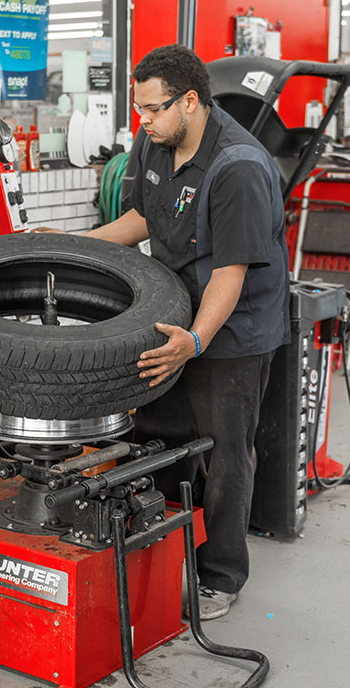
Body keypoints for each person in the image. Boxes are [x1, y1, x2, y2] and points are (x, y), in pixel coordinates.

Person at [42, 44, 289, 619]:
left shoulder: (239, 168)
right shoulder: (155, 141)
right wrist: (73, 243)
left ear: (191, 101)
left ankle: (220, 576)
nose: (145, 121)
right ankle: (158, 549)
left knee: (226, 452)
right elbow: (142, 219)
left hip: (235, 328)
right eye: (140, 109)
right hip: (176, 312)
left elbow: (230, 274)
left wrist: (194, 342)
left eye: (154, 109)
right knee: (157, 435)